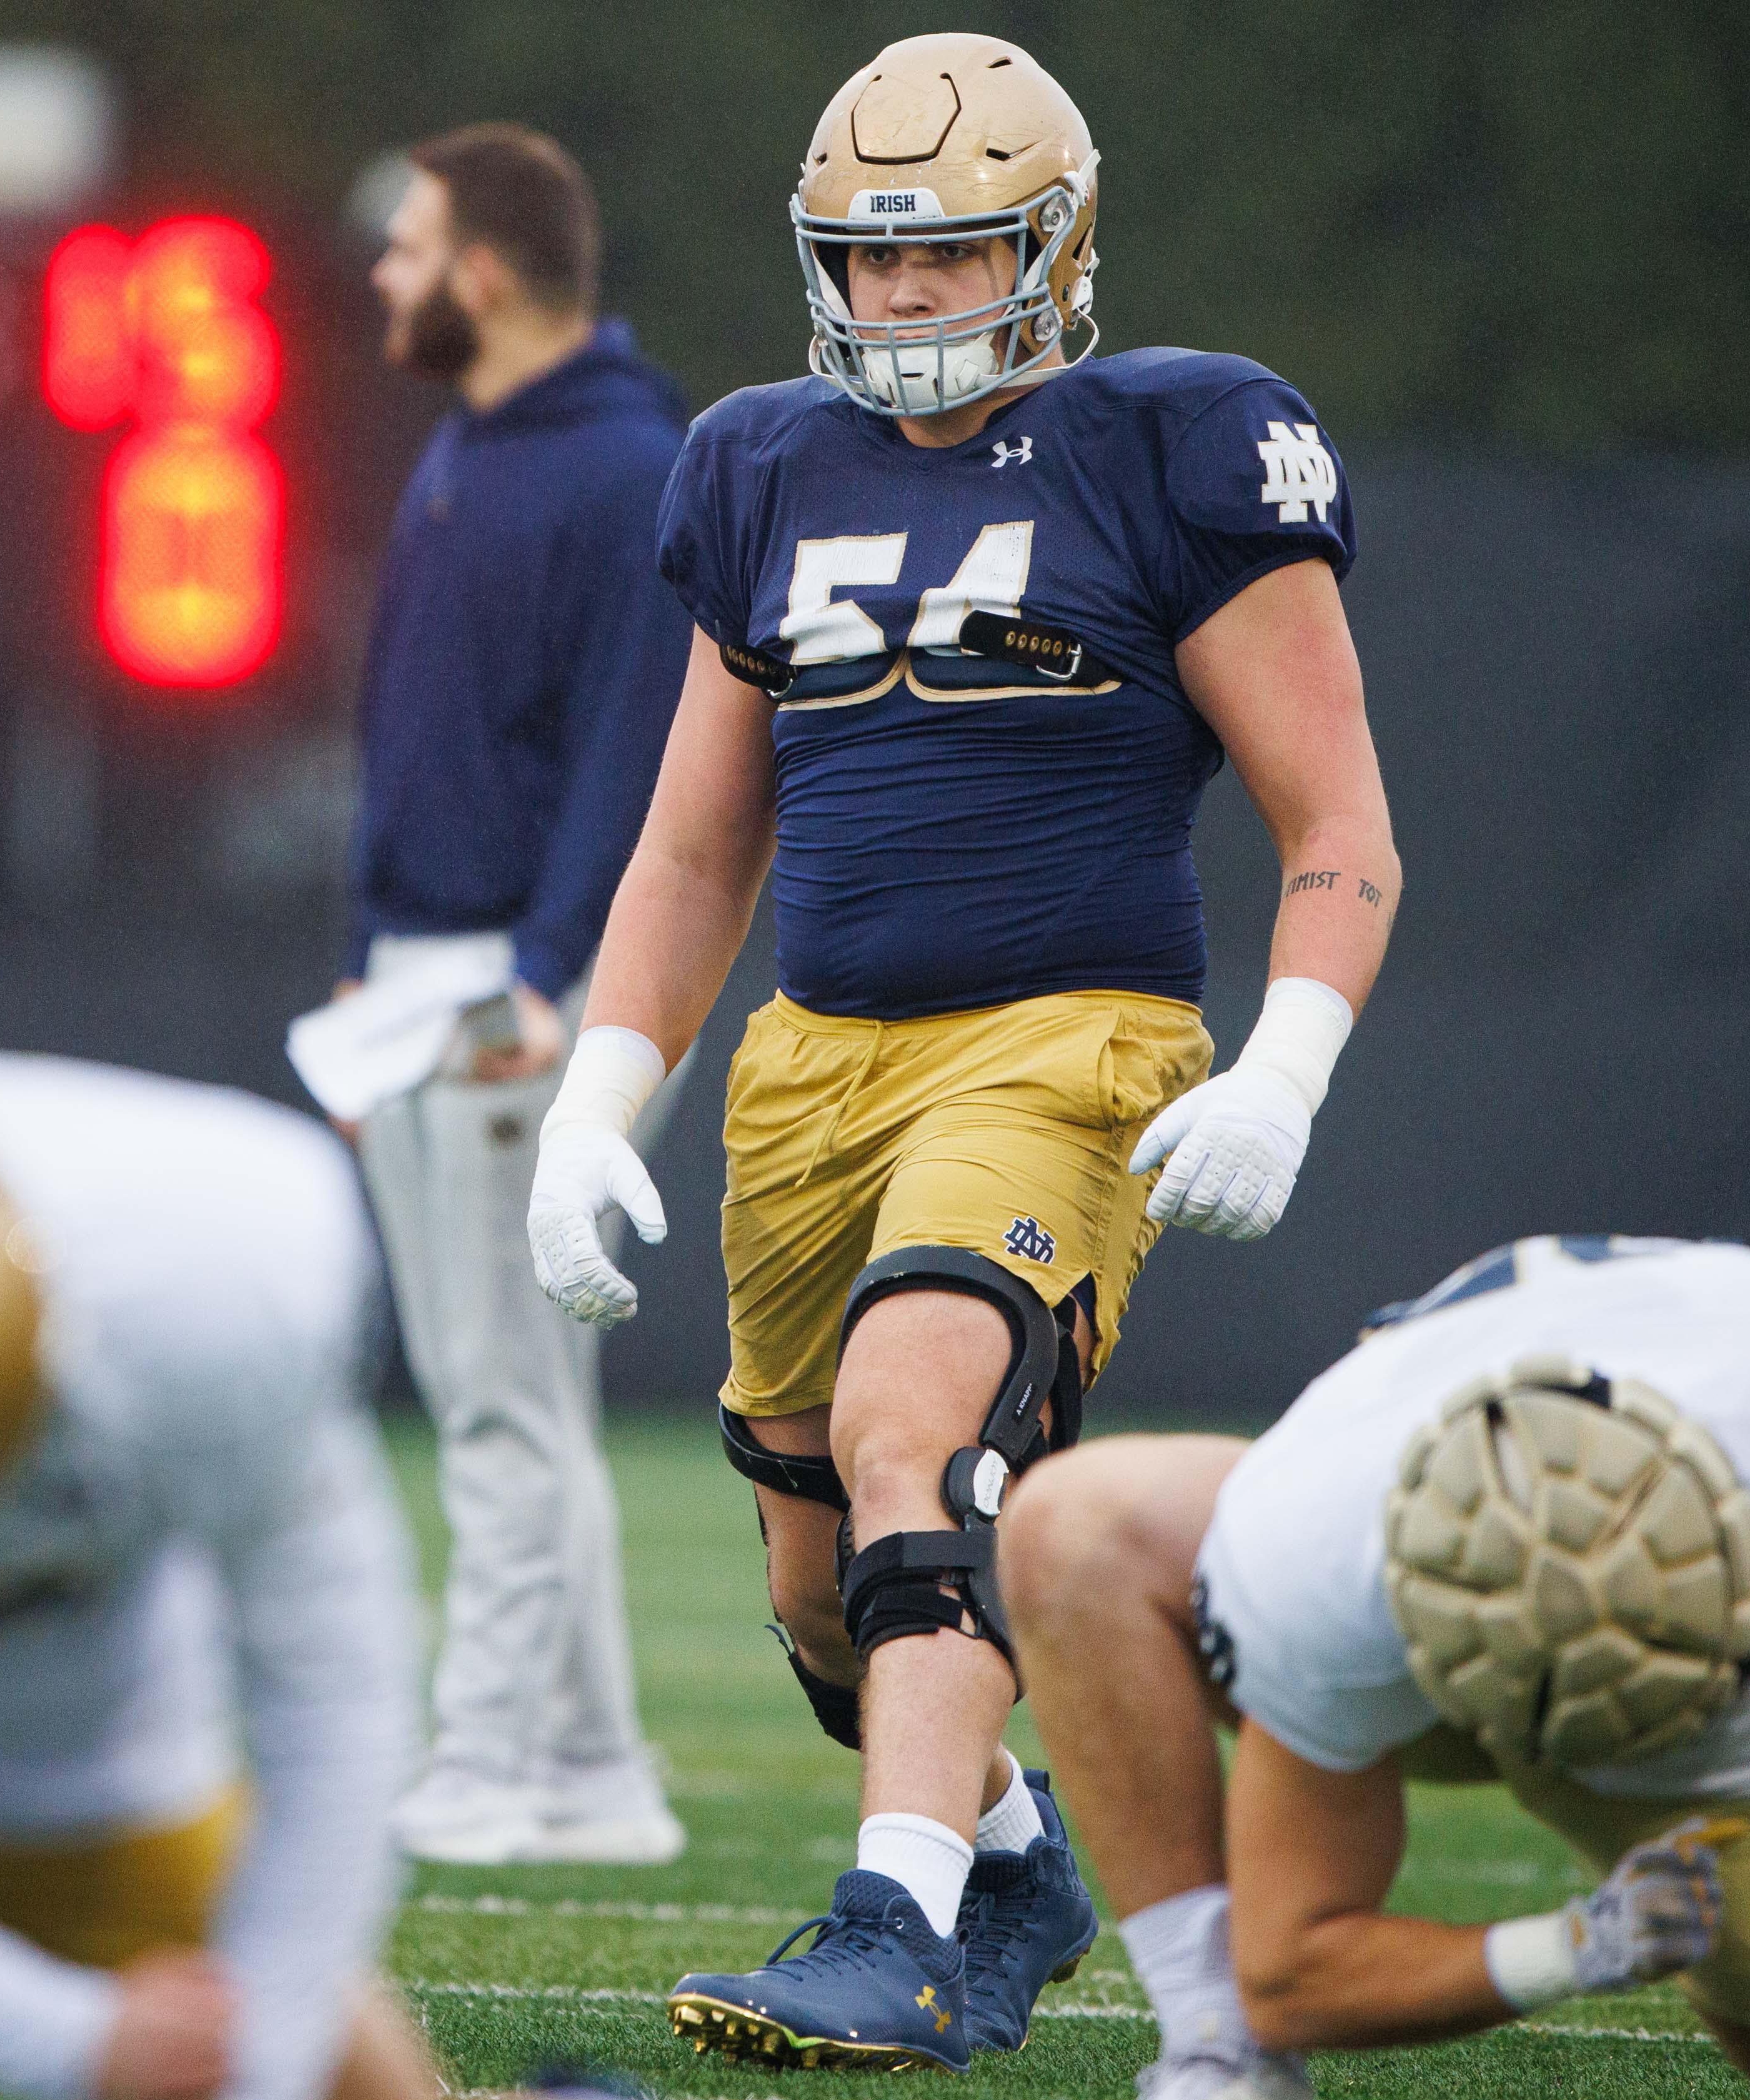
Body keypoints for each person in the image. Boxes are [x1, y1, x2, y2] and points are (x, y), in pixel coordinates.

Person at [526, 30, 1401, 2068]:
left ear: (1060, 244)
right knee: (831, 1590)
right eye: (871, 258)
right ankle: (1005, 1861)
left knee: (923, 1422)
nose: (907, 297)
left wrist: (1285, 1064)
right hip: (815, 1062)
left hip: (1067, 1036)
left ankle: (892, 1923)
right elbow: (692, 836)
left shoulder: (1172, 443)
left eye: (955, 256)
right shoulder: (754, 459)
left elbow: (1336, 816)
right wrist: (595, 1096)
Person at [1002, 1234, 1750, 2100]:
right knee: (1072, 1532)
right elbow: (1291, 1969)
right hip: (1406, 1629)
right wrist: (1576, 1943)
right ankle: (1217, 2057)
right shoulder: (1315, 1557)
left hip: (1728, 1716)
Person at [0, 1044, 440, 2100]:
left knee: (310, 2050)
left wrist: (260, 2061)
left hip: (60, 1730)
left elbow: (334, 1692)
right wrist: (64, 2039)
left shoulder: (207, 1287)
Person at [342, 122, 692, 1867]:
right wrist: (367, 971)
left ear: (484, 268)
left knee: (495, 1399)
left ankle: (480, 1764)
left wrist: (551, 978)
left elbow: (641, 774)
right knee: (509, 1395)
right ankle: (594, 1771)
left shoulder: (632, 466)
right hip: (425, 978)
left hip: (521, 987)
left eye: (408, 248)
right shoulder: (471, 448)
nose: (388, 277)